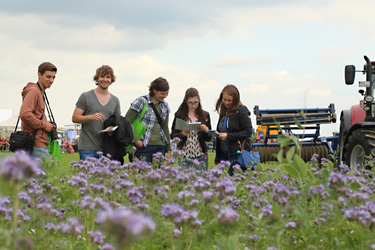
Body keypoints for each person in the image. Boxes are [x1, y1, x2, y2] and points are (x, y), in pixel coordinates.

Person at [72, 65, 121, 161]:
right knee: (88, 176)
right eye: (102, 76)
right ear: (97, 78)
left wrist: (112, 129)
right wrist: (90, 117)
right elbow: (75, 118)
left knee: (104, 176)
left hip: (107, 147)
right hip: (88, 147)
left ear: (111, 80)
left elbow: (118, 121)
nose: (105, 80)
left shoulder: (115, 100)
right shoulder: (86, 96)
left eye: (108, 77)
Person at [125, 77, 171, 164]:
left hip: (160, 147)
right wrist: (135, 140)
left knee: (157, 177)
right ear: (154, 90)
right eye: (162, 93)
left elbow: (165, 127)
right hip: (142, 147)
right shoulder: (141, 101)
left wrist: (169, 149)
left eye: (167, 93)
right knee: (140, 176)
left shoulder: (165, 105)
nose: (165, 96)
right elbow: (126, 121)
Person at [19, 62, 58, 162]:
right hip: (35, 144)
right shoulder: (34, 91)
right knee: (41, 177)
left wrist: (47, 124)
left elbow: (34, 114)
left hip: (37, 143)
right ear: (39, 74)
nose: (51, 80)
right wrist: (44, 125)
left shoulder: (40, 91)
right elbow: (24, 114)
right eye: (48, 77)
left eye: (53, 77)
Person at [214, 84, 253, 175]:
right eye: (224, 100)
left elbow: (248, 132)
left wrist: (228, 136)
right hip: (224, 155)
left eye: (229, 100)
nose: (226, 103)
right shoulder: (224, 112)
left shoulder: (242, 110)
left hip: (238, 154)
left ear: (235, 100)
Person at [171, 87, 212, 170]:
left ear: (199, 100)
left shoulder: (205, 115)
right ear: (185, 101)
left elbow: (209, 138)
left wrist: (206, 130)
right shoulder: (179, 115)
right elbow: (173, 135)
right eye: (190, 103)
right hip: (184, 156)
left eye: (195, 102)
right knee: (184, 182)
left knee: (200, 181)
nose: (193, 105)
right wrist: (182, 134)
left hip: (201, 155)